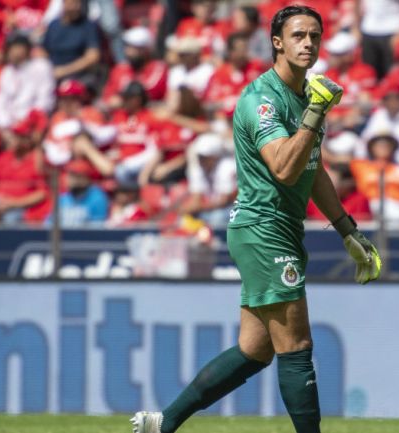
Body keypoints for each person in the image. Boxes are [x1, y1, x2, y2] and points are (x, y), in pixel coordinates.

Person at [131, 6, 381, 433]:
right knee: (297, 345)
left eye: (315, 36)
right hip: (263, 230)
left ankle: (164, 422)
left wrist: (348, 231)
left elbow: (311, 168)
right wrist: (317, 113)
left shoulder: (306, 97)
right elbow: (283, 168)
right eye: (299, 35)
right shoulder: (262, 99)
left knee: (254, 350)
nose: (309, 43)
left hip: (279, 230)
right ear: (277, 43)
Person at [0, 34, 55, 134]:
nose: (14, 52)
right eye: (11, 48)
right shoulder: (6, 71)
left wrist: (30, 122)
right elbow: (0, 102)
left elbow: (45, 100)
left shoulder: (41, 66)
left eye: (18, 47)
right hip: (12, 125)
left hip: (34, 123)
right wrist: (5, 127)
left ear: (28, 49)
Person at [41, 0, 100, 81]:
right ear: (64, 4)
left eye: (78, 3)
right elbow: (43, 50)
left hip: (77, 76)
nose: (76, 7)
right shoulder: (53, 25)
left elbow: (93, 57)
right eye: (72, 3)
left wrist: (64, 71)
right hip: (51, 73)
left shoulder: (88, 26)